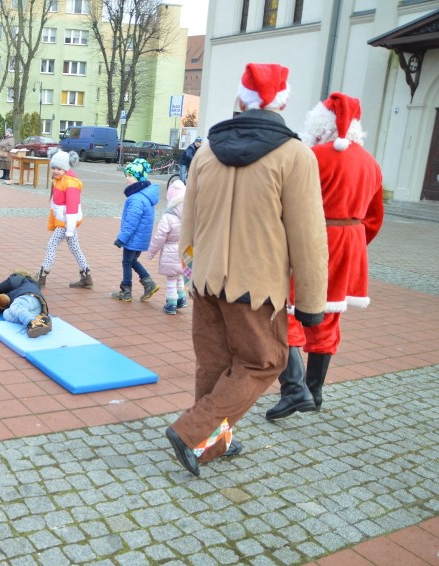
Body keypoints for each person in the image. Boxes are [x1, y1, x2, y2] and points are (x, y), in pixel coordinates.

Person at [164, 63, 328, 477]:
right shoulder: (295, 155)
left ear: (241, 100)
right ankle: (192, 433)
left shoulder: (206, 150)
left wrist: (190, 268)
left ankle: (211, 444)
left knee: (215, 364)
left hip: (206, 276)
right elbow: (308, 237)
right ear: (283, 102)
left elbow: (190, 220)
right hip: (258, 285)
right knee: (263, 361)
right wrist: (311, 304)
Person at [265, 92, 384, 421]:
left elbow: (287, 205)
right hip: (351, 243)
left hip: (312, 240)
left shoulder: (311, 155)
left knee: (285, 311)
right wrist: (355, 243)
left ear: (322, 121)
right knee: (329, 316)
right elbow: (374, 218)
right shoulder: (371, 163)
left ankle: (295, 389)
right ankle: (315, 391)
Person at [35, 150, 93, 289]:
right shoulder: (59, 180)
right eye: (53, 167)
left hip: (67, 223)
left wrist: (70, 229)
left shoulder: (70, 183)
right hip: (65, 221)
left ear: (66, 168)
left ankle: (42, 275)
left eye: (59, 168)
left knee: (51, 245)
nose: (55, 171)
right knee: (75, 248)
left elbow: (72, 208)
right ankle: (86, 276)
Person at [112, 158, 160, 302]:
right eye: (126, 175)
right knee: (132, 261)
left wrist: (122, 238)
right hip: (140, 238)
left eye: (130, 175)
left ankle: (127, 291)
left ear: (139, 178)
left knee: (127, 262)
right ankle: (148, 283)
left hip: (133, 237)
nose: (127, 178)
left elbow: (131, 222)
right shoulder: (146, 195)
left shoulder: (136, 199)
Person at [147, 178, 188, 314]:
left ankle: (171, 304)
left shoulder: (167, 217)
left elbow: (159, 237)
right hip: (185, 251)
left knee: (171, 278)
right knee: (180, 274)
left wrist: (151, 252)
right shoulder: (190, 215)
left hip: (170, 251)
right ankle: (182, 298)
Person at [0, 269, 52, 338]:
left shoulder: (19, 277)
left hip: (26, 297)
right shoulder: (33, 284)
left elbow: (10, 283)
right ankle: (42, 321)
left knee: (17, 307)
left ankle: (32, 323)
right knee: (6, 313)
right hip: (38, 305)